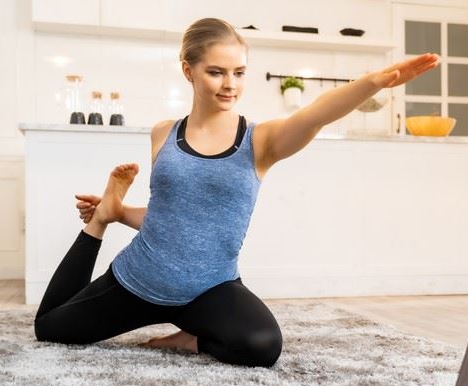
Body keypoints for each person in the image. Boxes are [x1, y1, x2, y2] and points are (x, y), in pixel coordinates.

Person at [34, 17, 440, 367]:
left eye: (239, 72)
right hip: (139, 280)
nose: (230, 84)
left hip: (210, 288)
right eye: (217, 72)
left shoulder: (260, 141)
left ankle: (191, 337)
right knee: (50, 329)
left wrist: (373, 82)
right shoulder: (164, 134)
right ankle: (102, 219)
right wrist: (117, 215)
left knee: (262, 346)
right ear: (188, 70)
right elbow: (172, 217)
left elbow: (315, 114)